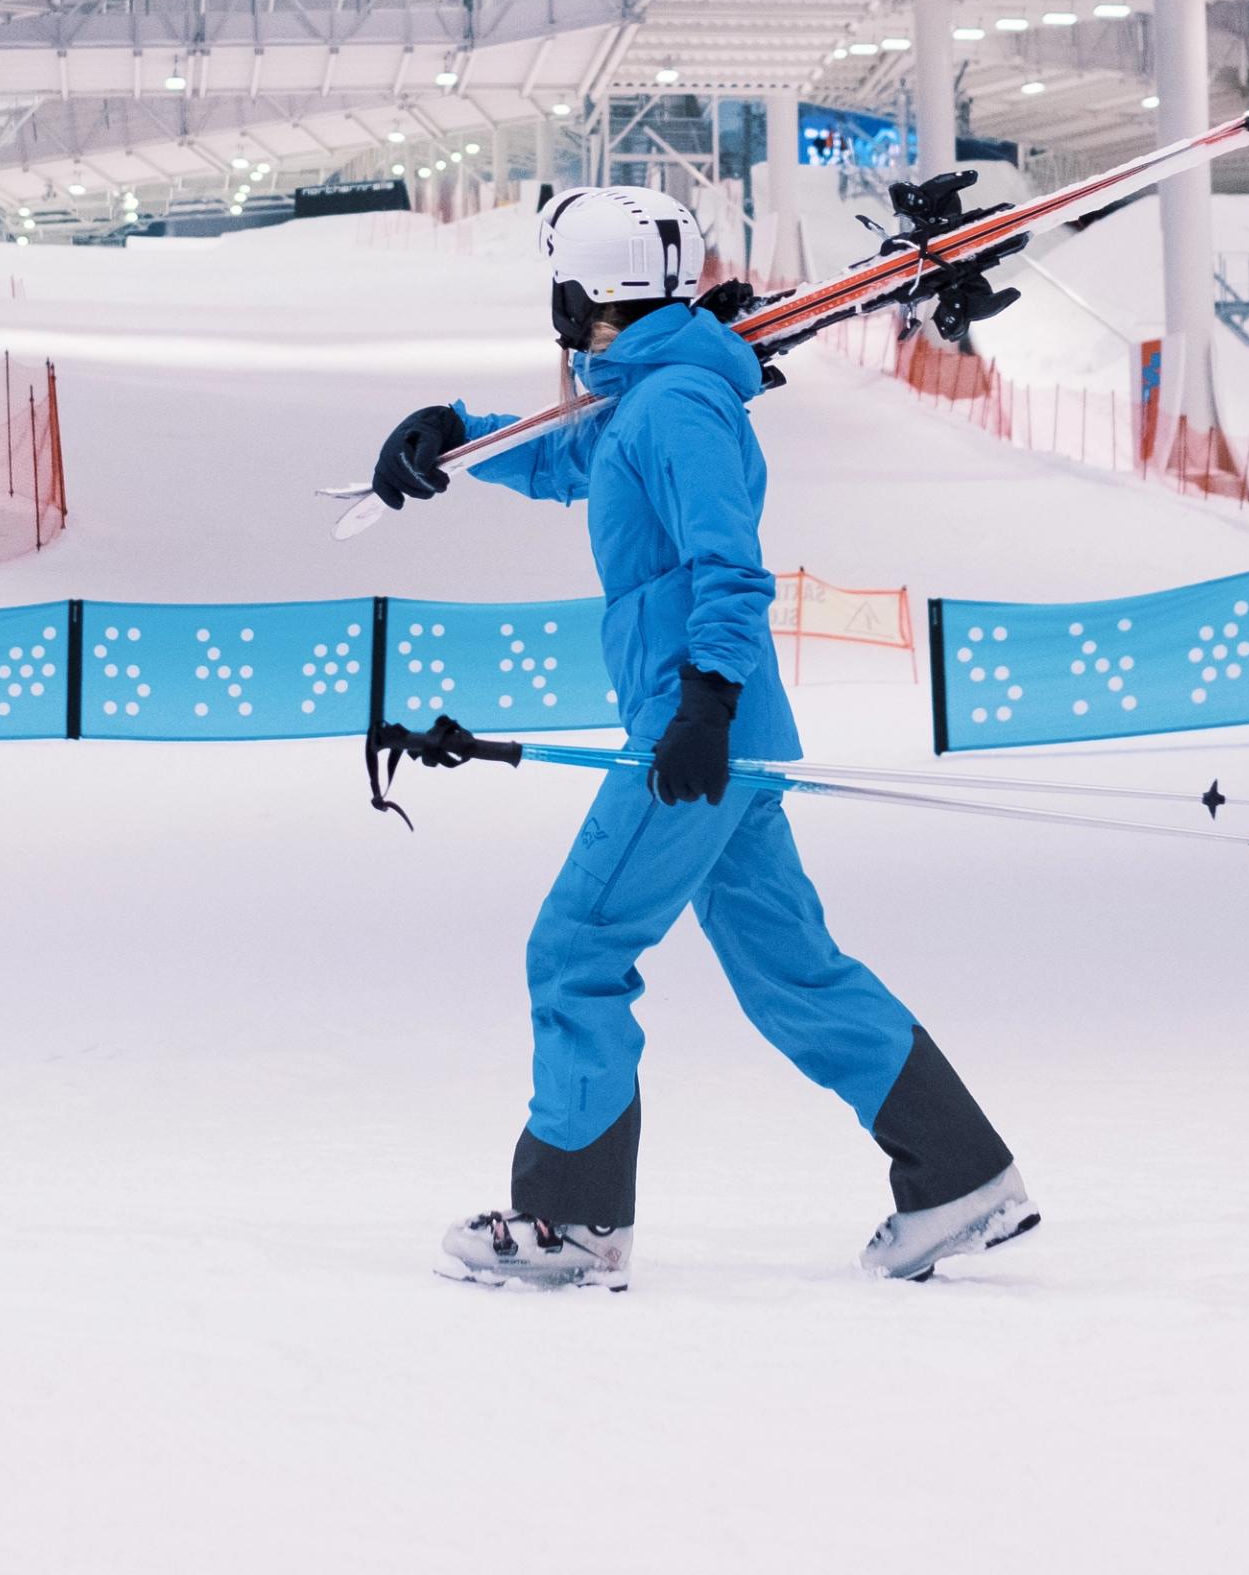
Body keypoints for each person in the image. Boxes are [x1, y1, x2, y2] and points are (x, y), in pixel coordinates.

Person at [368, 183, 1035, 1292]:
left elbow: (729, 564)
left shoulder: (674, 405)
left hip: (694, 733)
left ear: (585, 293)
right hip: (717, 730)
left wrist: (705, 706)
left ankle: (572, 1223)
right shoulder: (654, 396)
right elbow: (566, 460)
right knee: (795, 975)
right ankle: (958, 1173)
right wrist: (457, 441)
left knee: (577, 950)